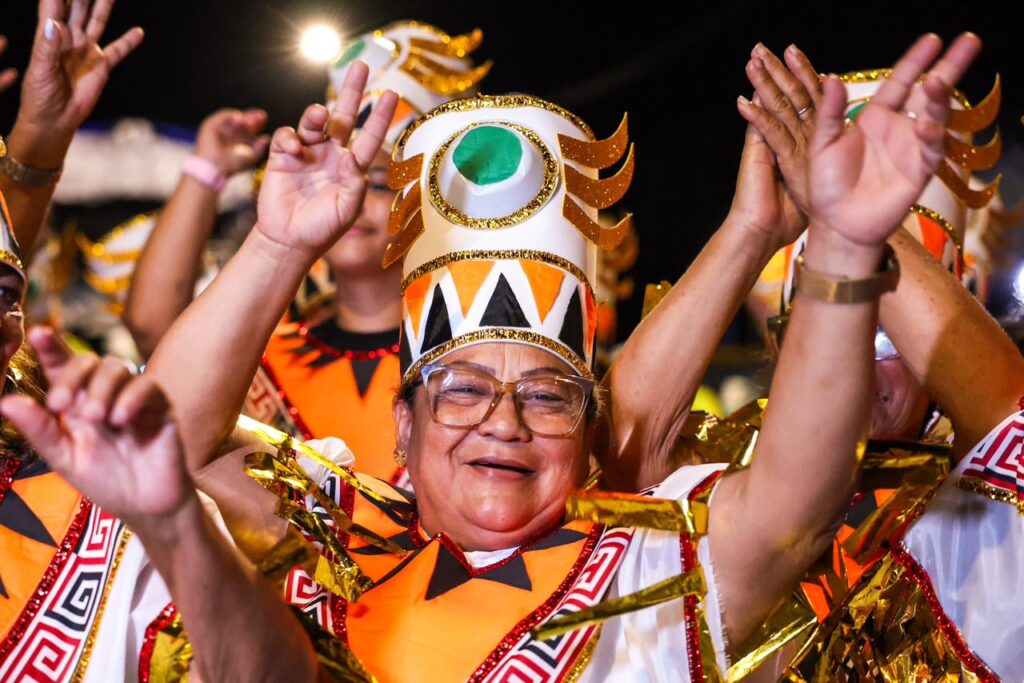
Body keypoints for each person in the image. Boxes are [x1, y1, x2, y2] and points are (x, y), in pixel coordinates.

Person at [111, 34, 971, 679]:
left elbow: (791, 505)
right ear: (401, 428)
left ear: (589, 430)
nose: (505, 422)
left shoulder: (652, 568)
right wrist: (273, 246)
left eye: (550, 396)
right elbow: (167, 447)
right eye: (463, 390)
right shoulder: (331, 534)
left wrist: (851, 251)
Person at [125, 21, 491, 486]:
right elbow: (152, 325)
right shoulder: (263, 351)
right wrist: (206, 171)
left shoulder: (472, 368)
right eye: (343, 181)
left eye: (379, 184)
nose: (354, 200)